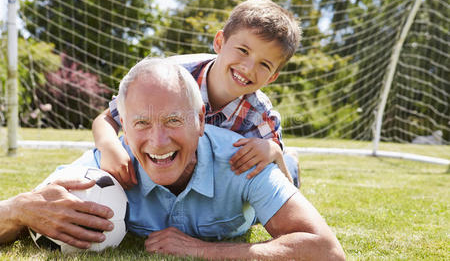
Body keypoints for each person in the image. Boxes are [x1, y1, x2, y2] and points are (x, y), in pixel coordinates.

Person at [0, 61, 345, 260]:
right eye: (141, 124)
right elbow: (22, 210)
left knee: (288, 172)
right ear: (124, 126)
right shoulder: (103, 169)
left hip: (265, 171)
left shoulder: (243, 159)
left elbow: (327, 251)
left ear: (199, 119)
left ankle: (292, 160)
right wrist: (19, 209)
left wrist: (201, 250)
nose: (158, 141)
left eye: (174, 121)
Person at [92, 0, 302, 189]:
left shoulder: (260, 114)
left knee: (279, 160)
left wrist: (275, 154)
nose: (248, 67)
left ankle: (291, 159)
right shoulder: (170, 78)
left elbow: (283, 189)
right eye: (243, 50)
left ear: (272, 77)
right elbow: (107, 118)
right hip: (178, 165)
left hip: (214, 175)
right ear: (219, 42)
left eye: (264, 64)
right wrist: (109, 146)